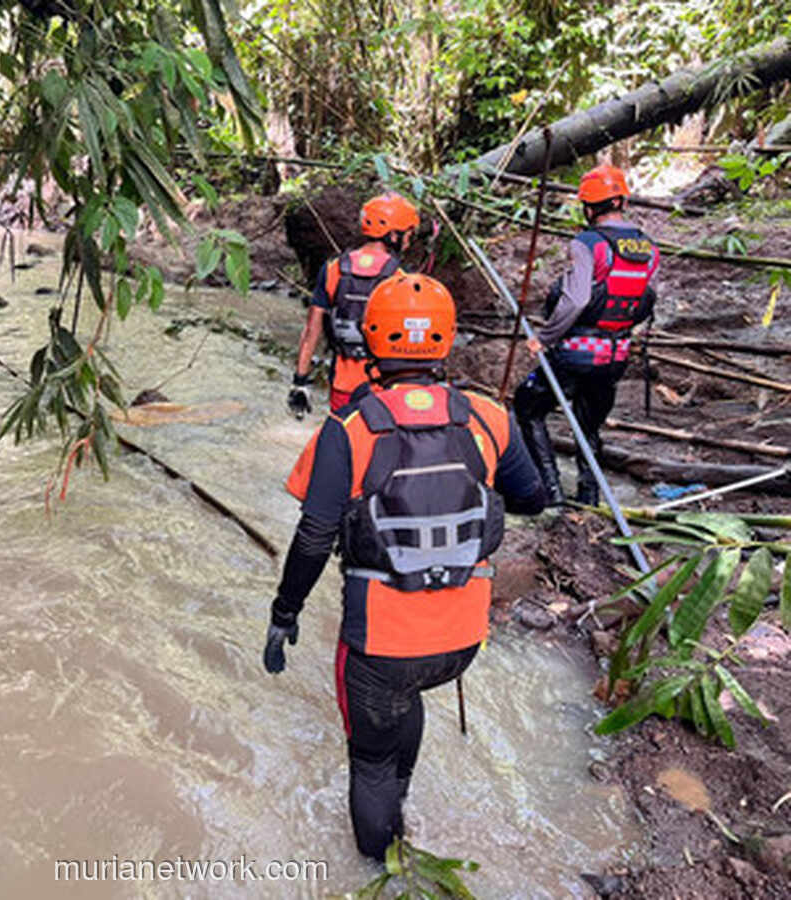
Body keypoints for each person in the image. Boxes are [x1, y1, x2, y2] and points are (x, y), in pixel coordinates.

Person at [263, 273, 547, 861]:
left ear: (370, 338)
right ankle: (402, 826)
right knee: (406, 702)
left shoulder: (349, 429)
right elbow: (533, 497)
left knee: (370, 760)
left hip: (381, 645)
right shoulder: (488, 417)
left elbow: (315, 535)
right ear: (445, 340)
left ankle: (381, 871)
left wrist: (283, 614)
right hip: (462, 641)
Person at [513, 163, 659, 506]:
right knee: (588, 423)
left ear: (589, 207)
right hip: (616, 355)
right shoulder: (649, 248)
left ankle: (551, 493)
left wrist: (545, 337)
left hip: (575, 352)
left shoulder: (587, 244)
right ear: (621, 201)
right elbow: (644, 299)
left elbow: (576, 299)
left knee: (528, 405)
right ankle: (589, 496)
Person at [288, 193, 419, 417]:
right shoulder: (399, 278)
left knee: (344, 442)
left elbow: (312, 331)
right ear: (393, 234)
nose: (408, 240)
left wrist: (300, 381)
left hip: (342, 383)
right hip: (382, 385)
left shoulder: (333, 269)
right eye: (407, 234)